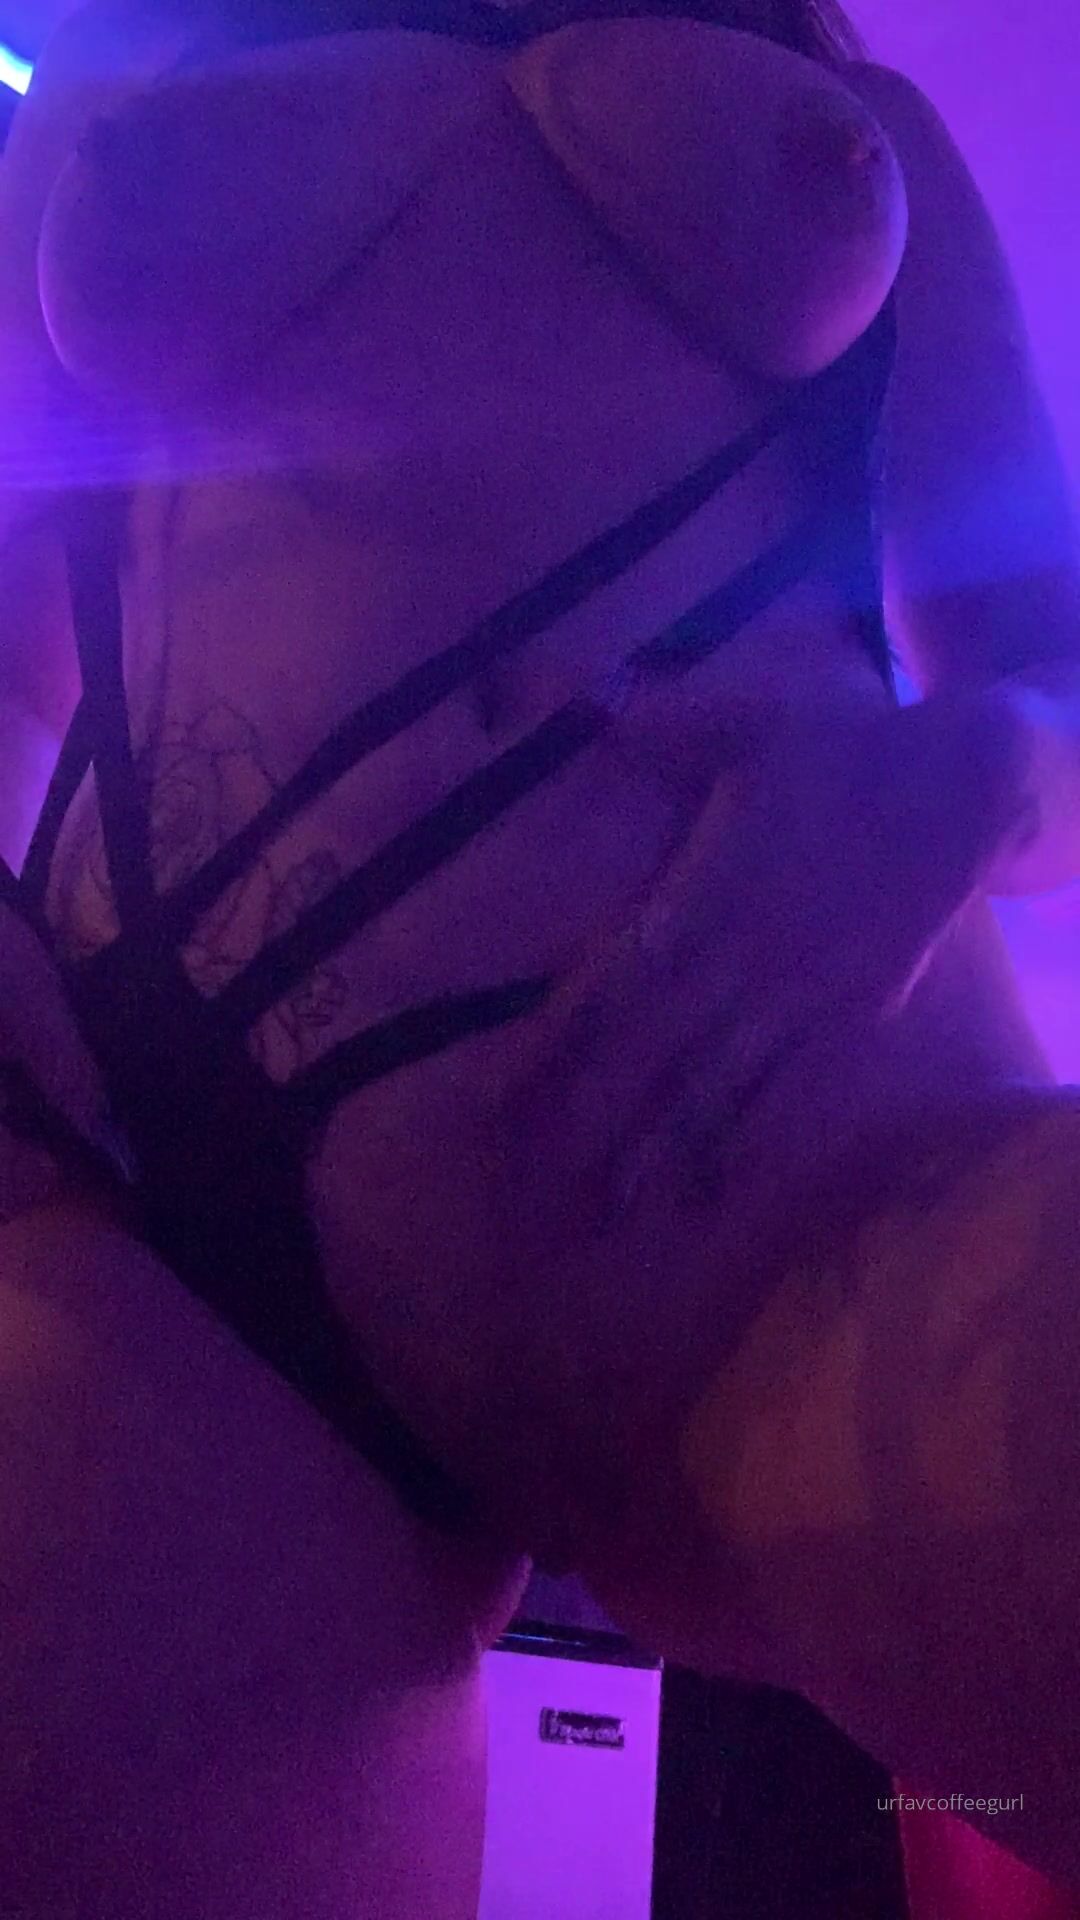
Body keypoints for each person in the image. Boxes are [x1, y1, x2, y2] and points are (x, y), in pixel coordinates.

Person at [2, 0, 1080, 1914]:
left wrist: (979, 774)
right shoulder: (107, 80)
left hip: (804, 1190)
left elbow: (1052, 667)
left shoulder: (867, 114)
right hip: (165, 1239)